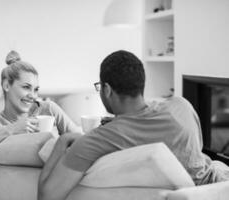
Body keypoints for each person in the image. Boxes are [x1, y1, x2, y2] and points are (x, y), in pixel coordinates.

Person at [38, 50, 229, 200]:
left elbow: (47, 196)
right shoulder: (182, 106)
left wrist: (63, 140)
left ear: (107, 89)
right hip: (217, 185)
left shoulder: (97, 140)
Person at [0, 51, 80, 160]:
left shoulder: (48, 109)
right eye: (26, 87)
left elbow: (80, 140)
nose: (33, 96)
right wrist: (12, 129)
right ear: (6, 85)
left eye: (36, 90)